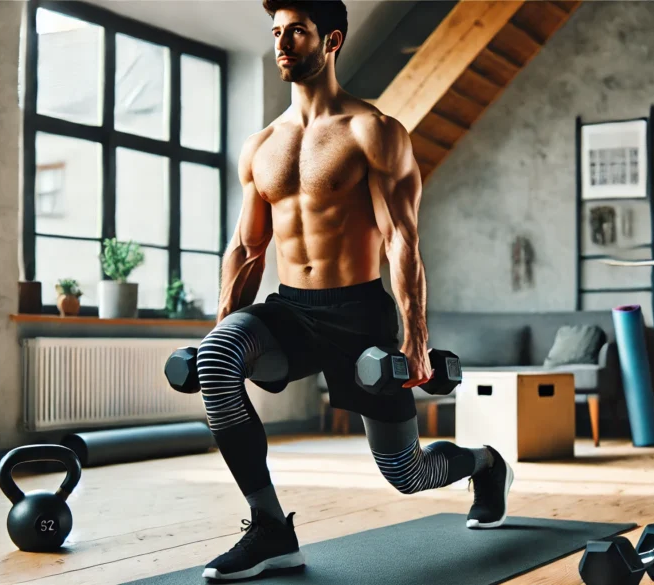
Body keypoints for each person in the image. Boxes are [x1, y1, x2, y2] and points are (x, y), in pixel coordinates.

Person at [195, 0, 514, 579]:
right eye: (276, 33)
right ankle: (271, 529)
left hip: (359, 316)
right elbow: (247, 249)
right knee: (218, 357)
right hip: (289, 310)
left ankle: (485, 465)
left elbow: (401, 241)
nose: (282, 44)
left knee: (406, 474)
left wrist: (416, 341)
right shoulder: (261, 145)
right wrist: (221, 323)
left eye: (297, 31)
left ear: (332, 39)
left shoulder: (374, 131)